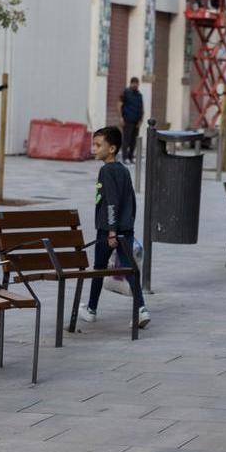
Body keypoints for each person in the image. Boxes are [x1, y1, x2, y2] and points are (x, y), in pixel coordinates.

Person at [79, 127, 150, 328]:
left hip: (107, 231)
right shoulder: (124, 170)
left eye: (98, 145)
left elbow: (111, 202)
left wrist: (111, 230)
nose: (94, 149)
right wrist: (126, 227)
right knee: (129, 269)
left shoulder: (106, 171)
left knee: (99, 269)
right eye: (94, 144)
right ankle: (141, 309)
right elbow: (130, 201)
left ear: (111, 149)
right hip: (125, 229)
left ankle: (91, 309)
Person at [119, 77, 144, 163]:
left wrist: (141, 120)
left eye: (137, 84)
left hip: (136, 121)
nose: (136, 85)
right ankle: (125, 157)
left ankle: (131, 156)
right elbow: (119, 104)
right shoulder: (126, 93)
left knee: (134, 140)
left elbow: (141, 107)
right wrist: (121, 117)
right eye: (134, 83)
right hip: (127, 120)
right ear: (131, 83)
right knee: (126, 139)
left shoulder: (139, 95)